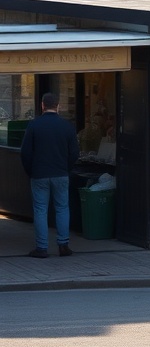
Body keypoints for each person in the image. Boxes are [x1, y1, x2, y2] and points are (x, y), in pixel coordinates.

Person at [20, 92, 80, 258]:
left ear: (42, 105)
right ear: (58, 106)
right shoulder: (67, 126)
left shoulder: (34, 125)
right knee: (62, 208)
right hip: (61, 173)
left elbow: (25, 153)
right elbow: (74, 153)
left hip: (39, 174)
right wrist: (66, 168)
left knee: (40, 210)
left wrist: (30, 171)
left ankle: (41, 248)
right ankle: (63, 245)